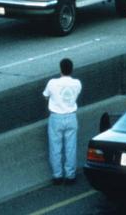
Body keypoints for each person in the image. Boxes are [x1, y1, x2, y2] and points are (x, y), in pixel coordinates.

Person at [43, 57, 82, 185]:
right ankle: (70, 175)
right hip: (71, 117)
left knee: (55, 148)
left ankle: (57, 175)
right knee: (70, 148)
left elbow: (45, 96)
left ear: (60, 69)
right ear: (72, 69)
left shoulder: (52, 83)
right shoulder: (77, 83)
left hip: (56, 117)